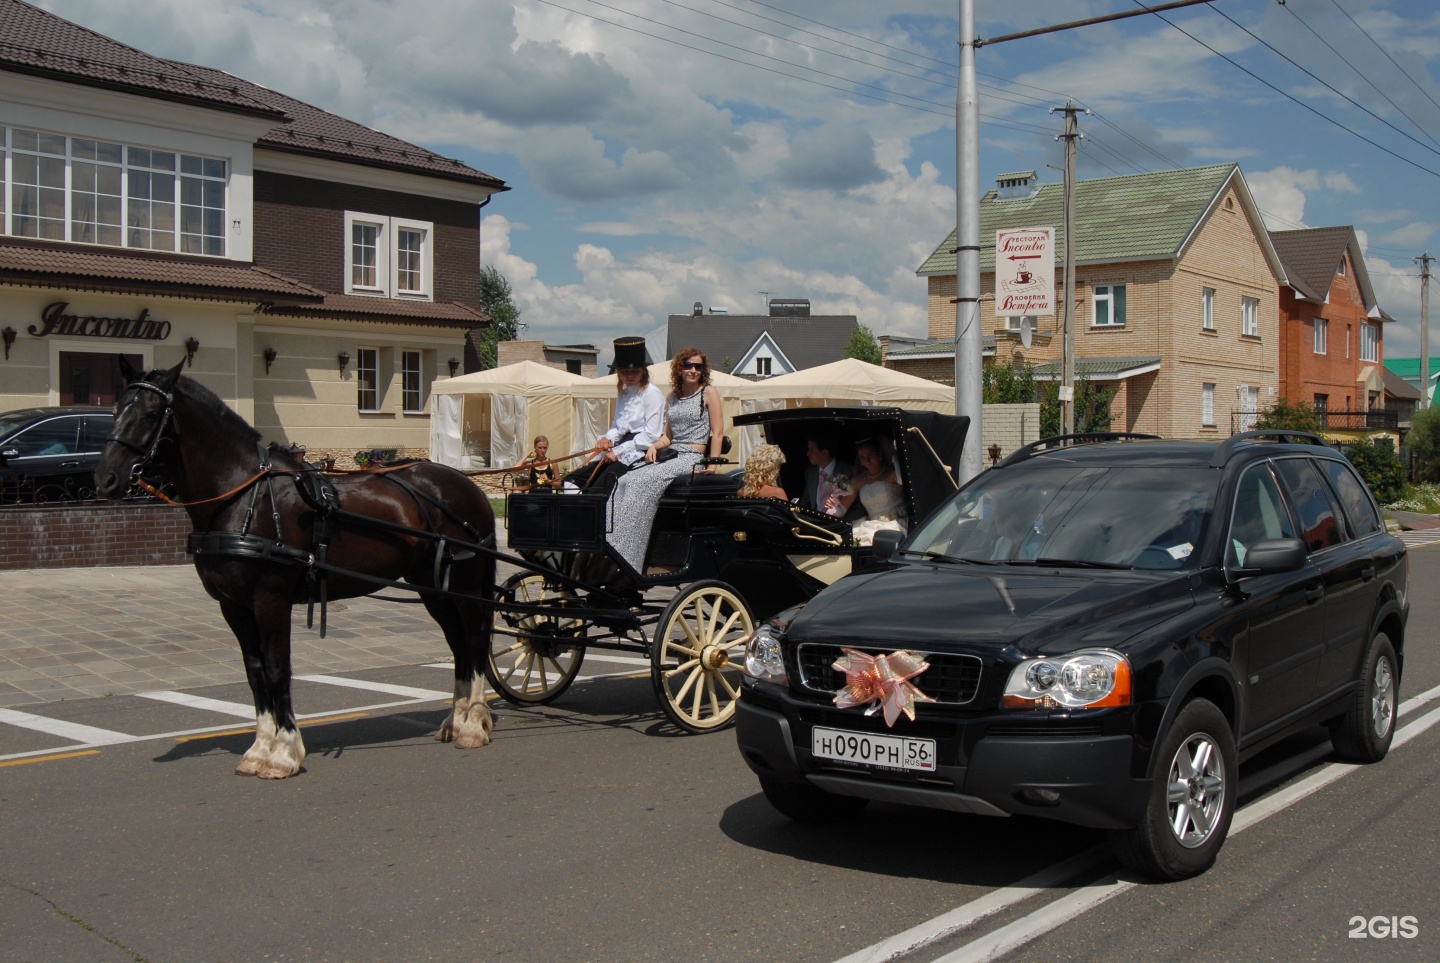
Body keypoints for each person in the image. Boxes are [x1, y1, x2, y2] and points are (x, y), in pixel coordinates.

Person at [604, 348, 725, 573]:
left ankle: (631, 554)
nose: (693, 370)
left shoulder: (708, 393)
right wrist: (654, 446)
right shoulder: (672, 397)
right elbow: (668, 437)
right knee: (625, 479)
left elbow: (717, 432)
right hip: (672, 452)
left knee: (643, 481)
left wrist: (713, 463)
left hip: (692, 455)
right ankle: (612, 541)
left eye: (698, 367)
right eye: (688, 365)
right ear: (679, 368)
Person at [563, 336, 664, 494]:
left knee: (599, 488)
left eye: (635, 372)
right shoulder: (623, 394)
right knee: (571, 480)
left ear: (643, 371)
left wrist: (618, 451)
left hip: (640, 450)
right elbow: (618, 426)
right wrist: (607, 438)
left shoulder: (652, 394)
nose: (630, 376)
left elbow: (651, 435)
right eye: (625, 372)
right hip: (621, 446)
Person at [825, 440, 907, 546]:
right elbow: (841, 510)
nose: (867, 460)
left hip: (896, 523)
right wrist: (834, 507)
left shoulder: (892, 474)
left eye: (870, 455)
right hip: (871, 524)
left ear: (880, 453)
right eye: (862, 458)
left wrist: (896, 458)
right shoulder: (858, 481)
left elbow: (903, 480)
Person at [799, 434, 858, 518]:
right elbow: (806, 501)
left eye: (811, 450)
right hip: (816, 522)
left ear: (825, 453)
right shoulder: (810, 473)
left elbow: (856, 506)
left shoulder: (848, 471)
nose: (807, 454)